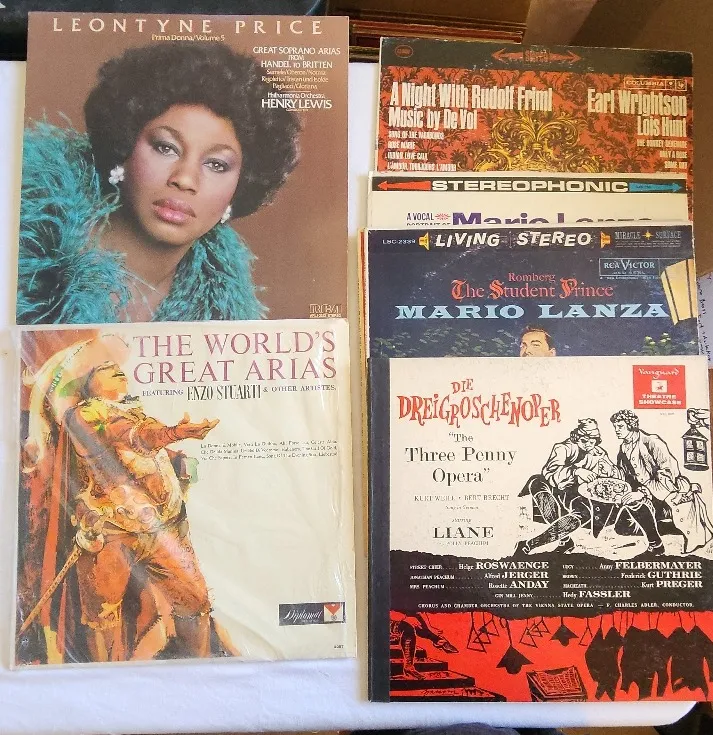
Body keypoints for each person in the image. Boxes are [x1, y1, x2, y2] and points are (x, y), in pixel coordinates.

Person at [18, 41, 300, 324]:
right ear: (123, 147)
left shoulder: (223, 320)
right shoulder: (21, 250)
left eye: (216, 164)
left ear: (241, 185)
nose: (184, 179)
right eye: (166, 148)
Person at [16, 334, 231, 664]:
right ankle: (104, 679)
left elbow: (139, 445)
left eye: (116, 366)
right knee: (103, 619)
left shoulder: (131, 411)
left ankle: (196, 663)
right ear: (88, 385)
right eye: (104, 368)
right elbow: (133, 435)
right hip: (111, 533)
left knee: (194, 600)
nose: (116, 370)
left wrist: (177, 460)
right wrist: (173, 433)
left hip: (159, 527)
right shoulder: (85, 415)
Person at [515, 418, 665, 556]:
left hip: (585, 498)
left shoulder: (598, 453)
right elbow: (550, 472)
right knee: (537, 483)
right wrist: (576, 471)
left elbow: (616, 478)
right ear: (576, 437)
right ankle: (564, 541)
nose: (588, 445)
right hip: (559, 491)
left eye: (592, 441)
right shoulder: (562, 449)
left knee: (589, 512)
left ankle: (656, 544)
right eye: (584, 440)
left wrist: (611, 471)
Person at [611, 409, 713, 554]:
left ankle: (656, 544)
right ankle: (664, 526)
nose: (616, 430)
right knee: (622, 528)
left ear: (631, 425)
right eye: (615, 427)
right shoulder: (623, 448)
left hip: (666, 493)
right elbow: (625, 475)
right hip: (645, 495)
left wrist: (644, 493)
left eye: (620, 426)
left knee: (638, 506)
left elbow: (668, 471)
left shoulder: (652, 441)